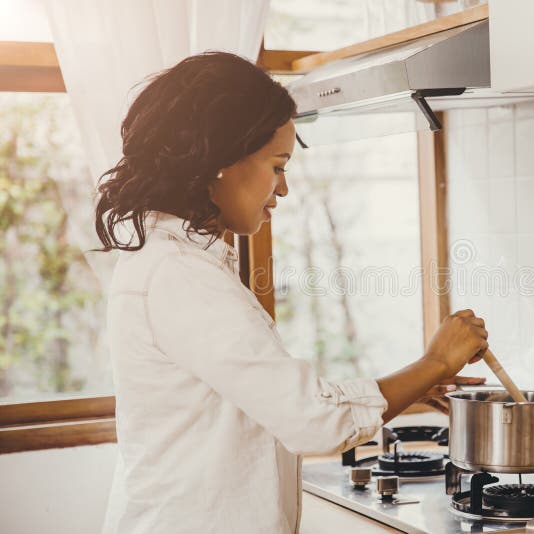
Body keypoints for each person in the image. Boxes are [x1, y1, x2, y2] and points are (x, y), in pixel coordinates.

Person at [95, 51, 488, 534]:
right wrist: (436, 362)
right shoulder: (181, 275)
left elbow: (270, 397)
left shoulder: (174, 261)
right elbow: (314, 422)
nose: (283, 188)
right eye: (277, 165)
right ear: (222, 162)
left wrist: (417, 384)